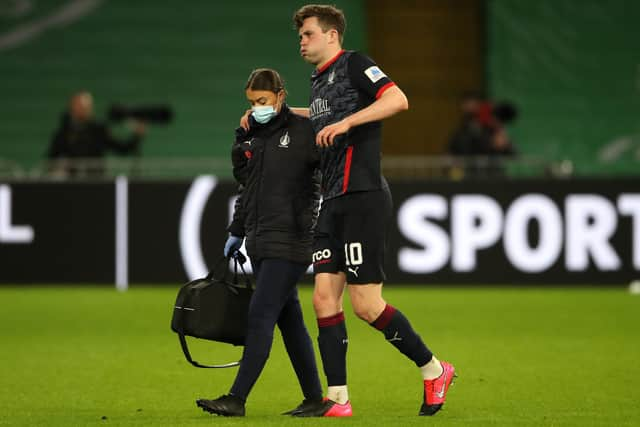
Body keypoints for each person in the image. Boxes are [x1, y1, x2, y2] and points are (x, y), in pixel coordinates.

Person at [289, 4, 456, 417]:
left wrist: (348, 125)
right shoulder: (318, 82)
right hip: (333, 201)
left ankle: (434, 369)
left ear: (332, 35)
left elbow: (398, 100)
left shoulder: (355, 64)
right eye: (300, 37)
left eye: (308, 34)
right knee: (324, 299)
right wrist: (277, 116)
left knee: (365, 305)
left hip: (363, 195)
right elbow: (320, 122)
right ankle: (339, 399)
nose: (302, 42)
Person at [196, 68, 324, 417]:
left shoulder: (304, 132)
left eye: (263, 101)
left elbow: (328, 169)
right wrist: (237, 230)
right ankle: (315, 398)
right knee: (290, 321)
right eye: (252, 103)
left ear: (281, 97)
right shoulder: (253, 136)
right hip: (260, 240)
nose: (257, 108)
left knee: (261, 314)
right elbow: (247, 187)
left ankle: (237, 398)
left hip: (292, 240)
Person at [47, 91, 145, 177]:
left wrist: (137, 135)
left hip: (95, 182)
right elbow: (51, 160)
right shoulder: (63, 132)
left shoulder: (98, 130)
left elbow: (122, 149)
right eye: (79, 105)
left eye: (86, 106)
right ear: (72, 107)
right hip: (70, 184)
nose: (83, 109)